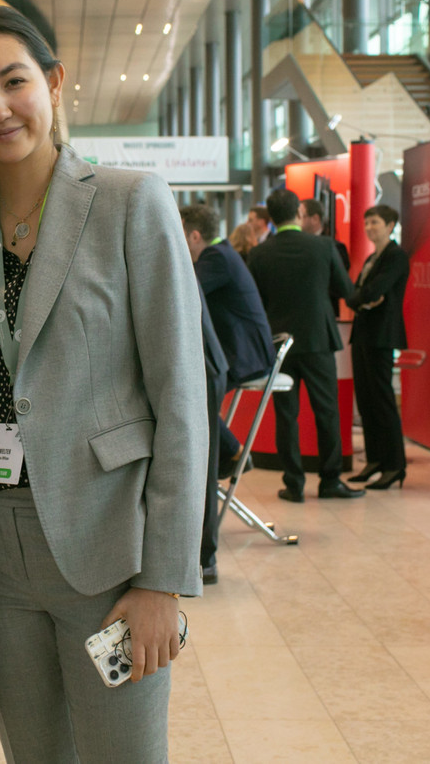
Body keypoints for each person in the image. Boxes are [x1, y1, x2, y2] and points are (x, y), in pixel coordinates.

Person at [0, 6, 207, 762]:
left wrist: (164, 580)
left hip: (106, 543)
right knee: (34, 754)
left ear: (54, 84)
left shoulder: (129, 202)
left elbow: (182, 403)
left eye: (13, 81)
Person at [247, 188, 364, 503]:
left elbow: (254, 303)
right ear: (299, 212)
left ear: (270, 217)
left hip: (279, 344)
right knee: (326, 411)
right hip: (317, 340)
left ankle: (294, 484)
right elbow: (346, 290)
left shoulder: (258, 254)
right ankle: (330, 481)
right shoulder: (324, 247)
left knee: (286, 415)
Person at [181, 203, 275, 582]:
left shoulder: (215, 257)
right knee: (198, 438)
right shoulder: (222, 254)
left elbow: (182, 295)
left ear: (194, 235)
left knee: (201, 452)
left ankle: (205, 558)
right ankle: (232, 450)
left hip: (234, 359)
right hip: (223, 357)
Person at [344, 204, 411, 489]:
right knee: (366, 400)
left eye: (375, 222)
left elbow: (371, 291)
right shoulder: (373, 257)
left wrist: (363, 298)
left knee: (382, 400)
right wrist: (363, 299)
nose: (370, 227)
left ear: (390, 224)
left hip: (382, 336)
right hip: (363, 334)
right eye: (367, 222)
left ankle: (394, 465)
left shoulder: (396, 257)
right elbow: (353, 296)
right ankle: (375, 460)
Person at [300, 198, 349, 271]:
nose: (296, 221)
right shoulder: (298, 245)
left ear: (315, 219)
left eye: (300, 217)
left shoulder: (335, 248)